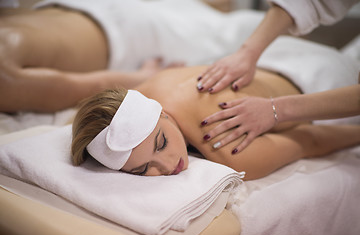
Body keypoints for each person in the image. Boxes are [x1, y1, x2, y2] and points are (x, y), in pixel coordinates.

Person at [71, 66, 360, 180]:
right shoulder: (140, 94)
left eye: (161, 143)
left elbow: (311, 140)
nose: (168, 165)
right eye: (143, 169)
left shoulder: (226, 145)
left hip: (323, 79)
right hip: (271, 62)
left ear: (164, 114)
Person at [0, 0, 262, 113]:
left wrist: (141, 78)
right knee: (209, 25)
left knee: (223, 33)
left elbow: (81, 87)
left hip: (124, 35)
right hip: (86, 11)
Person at [197, 0, 360, 152]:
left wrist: (276, 110)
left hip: (327, 78)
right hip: (288, 56)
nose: (170, 167)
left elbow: (310, 142)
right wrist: (248, 51)